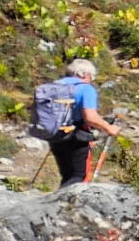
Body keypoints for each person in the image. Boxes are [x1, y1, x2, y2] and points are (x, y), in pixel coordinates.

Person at [45, 59, 120, 187]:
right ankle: (70, 206)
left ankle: (59, 203)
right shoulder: (85, 89)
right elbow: (90, 117)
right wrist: (108, 128)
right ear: (84, 74)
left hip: (54, 135)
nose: (91, 80)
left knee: (67, 174)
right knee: (79, 176)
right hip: (75, 137)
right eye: (92, 77)